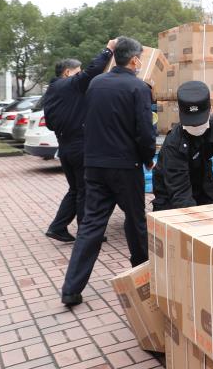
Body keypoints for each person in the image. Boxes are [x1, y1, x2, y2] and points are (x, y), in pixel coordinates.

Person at [61, 37, 156, 306]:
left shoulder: (96, 83)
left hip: (94, 165)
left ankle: (71, 289)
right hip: (125, 166)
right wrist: (148, 157)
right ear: (134, 60)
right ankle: (142, 273)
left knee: (91, 225)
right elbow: (144, 131)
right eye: (140, 58)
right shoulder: (138, 88)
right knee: (135, 221)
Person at [42, 41, 116, 242]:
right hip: (79, 147)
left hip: (64, 147)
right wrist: (108, 50)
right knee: (85, 190)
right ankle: (87, 232)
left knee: (75, 190)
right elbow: (92, 72)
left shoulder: (52, 91)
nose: (81, 74)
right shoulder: (68, 85)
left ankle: (58, 227)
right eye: (77, 71)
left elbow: (51, 123)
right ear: (67, 73)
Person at [151, 81, 213, 210]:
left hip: (202, 176)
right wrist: (193, 217)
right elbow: (180, 194)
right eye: (192, 123)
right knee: (181, 214)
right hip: (171, 186)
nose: (196, 127)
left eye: (199, 122)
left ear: (210, 110)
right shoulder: (174, 143)